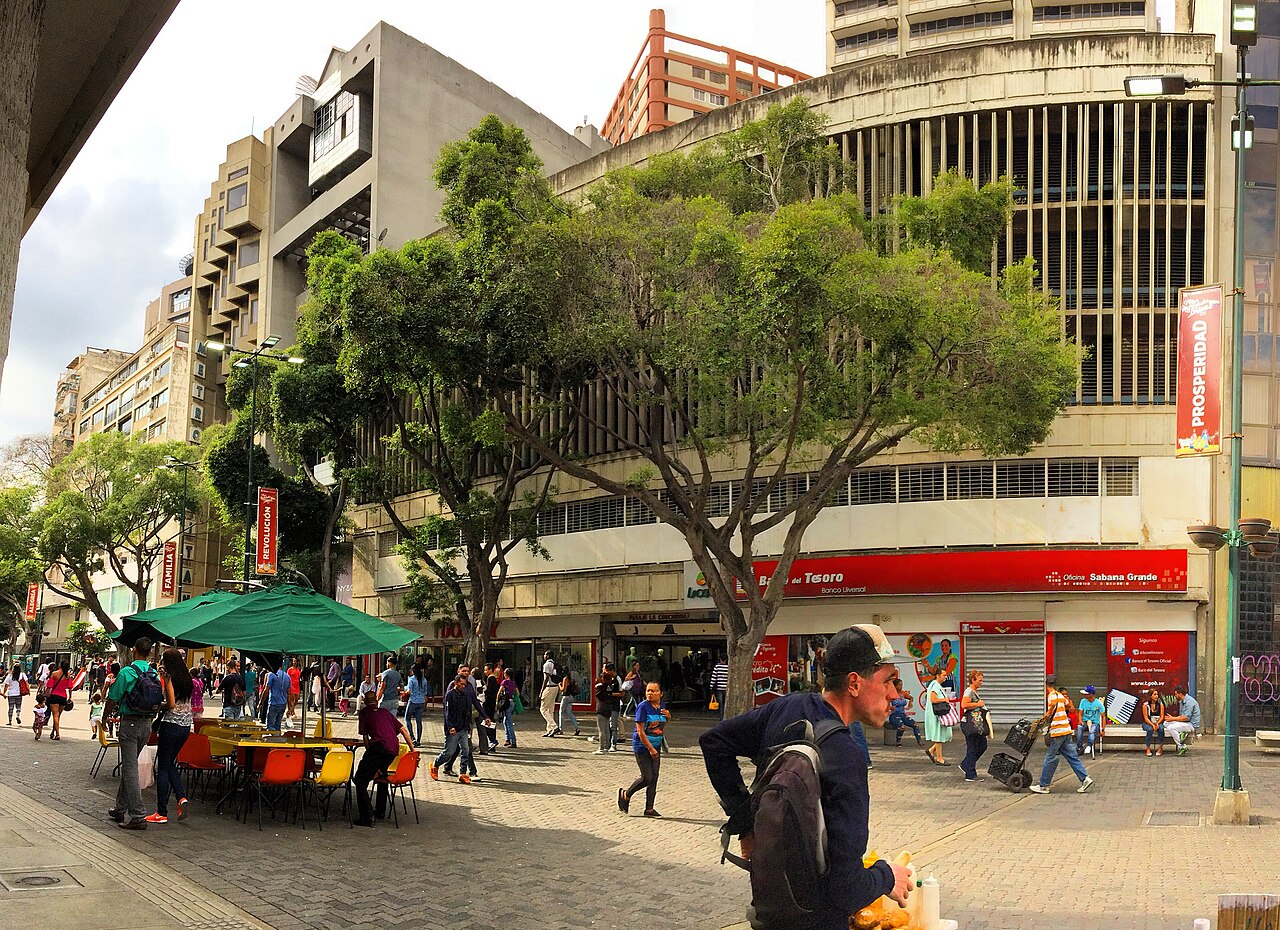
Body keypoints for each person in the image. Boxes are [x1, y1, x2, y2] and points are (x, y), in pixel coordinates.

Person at [700, 624, 914, 928]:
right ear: (854, 683)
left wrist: (746, 825)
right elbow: (846, 889)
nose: (895, 694)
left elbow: (714, 742)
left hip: (772, 908)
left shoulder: (787, 707)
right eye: (889, 681)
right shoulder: (847, 758)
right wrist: (887, 875)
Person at [105, 637, 160, 829]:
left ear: (134, 650)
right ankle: (120, 808)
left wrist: (104, 719)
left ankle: (137, 815)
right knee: (129, 765)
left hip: (129, 724)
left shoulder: (127, 672)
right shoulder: (154, 673)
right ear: (150, 653)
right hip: (146, 724)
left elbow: (113, 697)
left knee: (129, 769)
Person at [354, 691, 414, 827]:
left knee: (360, 779)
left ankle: (366, 816)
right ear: (376, 699)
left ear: (364, 701)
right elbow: (404, 730)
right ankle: (380, 811)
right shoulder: (385, 712)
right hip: (393, 750)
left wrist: (369, 753)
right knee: (382, 774)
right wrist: (413, 750)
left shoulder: (364, 713)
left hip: (379, 747)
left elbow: (365, 737)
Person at [148, 647, 194, 824]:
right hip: (185, 727)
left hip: (171, 725)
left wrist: (160, 706)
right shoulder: (187, 678)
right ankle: (181, 797)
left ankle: (162, 812)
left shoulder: (170, 678)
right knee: (169, 763)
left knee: (163, 768)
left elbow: (172, 704)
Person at [1030, 676, 1093, 795]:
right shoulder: (1061, 696)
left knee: (1050, 757)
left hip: (1058, 732)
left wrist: (1042, 719)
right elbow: (1069, 707)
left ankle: (1043, 786)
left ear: (1046, 685)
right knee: (1072, 757)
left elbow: (1050, 712)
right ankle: (1085, 779)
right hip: (1067, 730)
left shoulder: (1052, 696)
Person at [619, 681, 670, 817]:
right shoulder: (642, 707)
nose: (650, 693)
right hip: (642, 747)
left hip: (656, 745)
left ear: (661, 693)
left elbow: (660, 725)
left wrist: (668, 717)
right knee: (647, 777)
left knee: (654, 778)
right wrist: (650, 749)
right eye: (648, 691)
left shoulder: (662, 706)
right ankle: (626, 794)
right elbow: (640, 731)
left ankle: (649, 808)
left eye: (653, 691)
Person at [430, 675, 489, 785]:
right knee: (449, 752)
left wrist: (485, 717)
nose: (463, 686)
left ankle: (462, 773)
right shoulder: (450, 695)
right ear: (455, 683)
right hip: (453, 728)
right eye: (461, 684)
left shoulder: (465, 694)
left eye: (464, 684)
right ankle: (435, 764)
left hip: (463, 728)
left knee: (466, 750)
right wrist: (450, 726)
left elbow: (476, 704)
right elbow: (447, 713)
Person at [958, 669, 988, 783]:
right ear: (973, 680)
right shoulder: (969, 692)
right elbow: (964, 704)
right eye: (980, 680)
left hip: (977, 725)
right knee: (972, 747)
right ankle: (970, 774)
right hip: (971, 725)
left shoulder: (974, 692)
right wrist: (978, 704)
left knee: (982, 745)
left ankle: (966, 764)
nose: (981, 682)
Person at [594, 661, 624, 753]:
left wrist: (611, 694)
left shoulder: (617, 679)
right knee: (607, 726)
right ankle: (608, 744)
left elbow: (622, 693)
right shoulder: (606, 682)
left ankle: (613, 744)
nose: (604, 671)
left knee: (613, 725)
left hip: (614, 704)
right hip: (608, 705)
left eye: (605, 669)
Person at [924, 666, 952, 765]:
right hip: (936, 714)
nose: (945, 677)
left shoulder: (936, 685)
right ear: (938, 676)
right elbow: (933, 699)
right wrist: (944, 700)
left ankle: (931, 750)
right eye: (943, 675)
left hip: (938, 713)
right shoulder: (935, 685)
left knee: (942, 734)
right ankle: (939, 758)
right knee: (939, 736)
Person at [1165, 684, 1201, 756]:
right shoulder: (1182, 701)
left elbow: (1186, 718)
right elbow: (1182, 716)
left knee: (1170, 728)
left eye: (1176, 694)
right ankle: (1182, 734)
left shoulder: (1190, 702)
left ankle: (1182, 747)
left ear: (1180, 694)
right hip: (1185, 723)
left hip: (1191, 725)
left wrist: (1173, 718)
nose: (1175, 696)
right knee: (1166, 723)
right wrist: (1172, 719)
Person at [44, 659, 74, 740]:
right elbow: (70, 688)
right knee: (58, 716)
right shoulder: (68, 676)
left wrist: (45, 695)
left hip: (54, 696)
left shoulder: (54, 674)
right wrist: (70, 697)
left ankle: (57, 734)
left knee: (55, 716)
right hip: (63, 697)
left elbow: (49, 686)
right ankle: (53, 732)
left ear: (60, 665)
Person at [887, 679, 922, 747]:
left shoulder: (903, 693)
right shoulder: (891, 695)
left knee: (915, 724)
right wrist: (891, 707)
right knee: (902, 726)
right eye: (899, 685)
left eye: (902, 685)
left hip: (903, 715)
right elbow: (885, 704)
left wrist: (910, 703)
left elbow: (911, 698)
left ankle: (919, 741)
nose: (901, 686)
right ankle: (898, 741)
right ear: (895, 686)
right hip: (894, 715)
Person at [1075, 685, 1105, 757]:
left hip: (1095, 722)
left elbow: (1103, 716)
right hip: (1085, 721)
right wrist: (1080, 721)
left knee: (1092, 730)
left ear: (1091, 694)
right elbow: (1080, 713)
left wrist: (1103, 729)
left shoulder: (1098, 703)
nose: (1084, 695)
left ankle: (1089, 745)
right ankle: (1079, 747)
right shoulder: (1083, 701)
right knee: (1079, 728)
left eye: (1086, 694)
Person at [403, 663, 428, 744]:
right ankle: (419, 740)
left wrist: (405, 689)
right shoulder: (424, 679)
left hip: (413, 701)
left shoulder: (411, 679)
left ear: (413, 671)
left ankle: (412, 736)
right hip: (421, 701)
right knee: (419, 721)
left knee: (407, 718)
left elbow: (409, 691)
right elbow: (425, 692)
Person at [1140, 688, 1167, 757]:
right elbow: (1146, 718)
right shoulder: (1145, 705)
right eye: (1154, 694)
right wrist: (1152, 725)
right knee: (1150, 729)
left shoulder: (1160, 704)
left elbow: (1162, 716)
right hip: (1148, 723)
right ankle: (1148, 748)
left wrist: (1157, 724)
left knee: (1161, 729)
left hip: (1158, 722)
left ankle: (1160, 747)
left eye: (1157, 694)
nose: (1156, 696)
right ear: (1150, 696)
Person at [264, 660, 290, 732]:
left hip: (273, 703)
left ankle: (273, 740)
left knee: (270, 726)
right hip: (283, 704)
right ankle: (278, 738)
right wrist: (290, 707)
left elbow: (266, 689)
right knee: (278, 725)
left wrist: (260, 702)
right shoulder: (287, 676)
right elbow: (289, 693)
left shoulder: (272, 674)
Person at [539, 651, 560, 737]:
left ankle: (554, 726)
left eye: (545, 654)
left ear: (547, 656)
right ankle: (549, 730)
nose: (544, 656)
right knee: (550, 709)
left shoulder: (546, 665)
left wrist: (541, 690)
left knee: (543, 709)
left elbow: (546, 678)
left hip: (549, 687)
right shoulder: (554, 664)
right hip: (556, 687)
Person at [480, 663, 501, 753]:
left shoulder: (491, 679)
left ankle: (492, 740)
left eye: (486, 670)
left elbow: (489, 692)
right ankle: (492, 742)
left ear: (490, 670)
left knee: (488, 721)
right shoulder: (493, 678)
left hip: (489, 704)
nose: (485, 672)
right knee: (491, 721)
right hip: (491, 704)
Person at [497, 667, 519, 748]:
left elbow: (499, 692)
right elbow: (518, 692)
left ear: (506, 674)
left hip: (506, 703)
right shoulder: (513, 683)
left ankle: (513, 741)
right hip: (512, 702)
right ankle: (508, 739)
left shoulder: (505, 682)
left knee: (509, 722)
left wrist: (497, 702)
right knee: (505, 720)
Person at [558, 665, 581, 737]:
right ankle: (577, 727)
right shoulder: (571, 679)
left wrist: (559, 685)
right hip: (571, 697)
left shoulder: (565, 679)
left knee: (561, 712)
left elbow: (563, 689)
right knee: (569, 712)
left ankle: (561, 729)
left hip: (566, 697)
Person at [285, 657, 302, 727]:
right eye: (294, 661)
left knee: (297, 699)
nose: (295, 662)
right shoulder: (289, 670)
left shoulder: (298, 670)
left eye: (296, 661)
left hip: (297, 686)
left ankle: (291, 710)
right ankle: (291, 711)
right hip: (291, 686)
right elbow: (287, 677)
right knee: (291, 700)